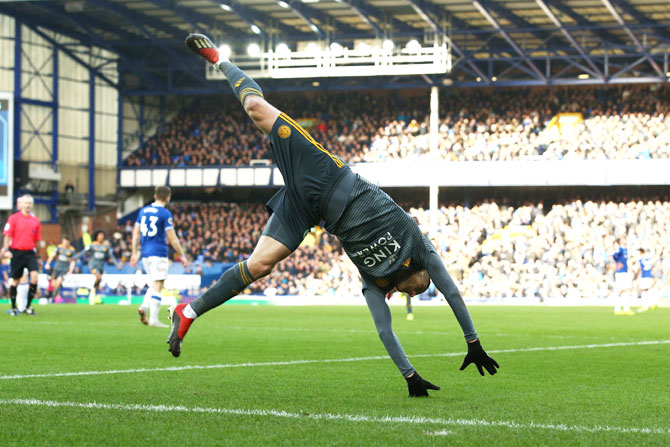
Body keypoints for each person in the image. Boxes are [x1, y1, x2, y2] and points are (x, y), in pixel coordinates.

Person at [168, 33, 499, 397]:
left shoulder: (377, 283)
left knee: (260, 265)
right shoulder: (419, 246)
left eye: (416, 293)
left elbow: (384, 330)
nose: (418, 293)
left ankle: (188, 312)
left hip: (308, 208)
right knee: (256, 110)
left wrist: (410, 377)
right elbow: (450, 290)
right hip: (326, 174)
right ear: (417, 272)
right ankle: (220, 58)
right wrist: (473, 341)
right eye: (421, 289)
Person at [130, 185, 189, 327]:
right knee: (158, 285)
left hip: (145, 254)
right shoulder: (165, 213)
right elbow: (173, 238)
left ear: (155, 196)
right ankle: (154, 319)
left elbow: (136, 233)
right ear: (168, 197)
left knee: (154, 284)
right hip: (158, 252)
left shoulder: (143, 211)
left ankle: (144, 307)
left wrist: (134, 253)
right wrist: (181, 255)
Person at [1, 194, 41, 316]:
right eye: (26, 202)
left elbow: (37, 240)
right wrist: (6, 249)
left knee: (34, 278)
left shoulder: (35, 221)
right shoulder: (13, 218)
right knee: (15, 281)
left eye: (30, 203)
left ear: (32, 205)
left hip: (30, 253)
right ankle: (14, 307)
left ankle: (28, 306)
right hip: (17, 252)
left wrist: (38, 256)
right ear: (21, 204)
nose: (28, 205)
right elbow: (7, 235)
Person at [74, 230, 118, 305]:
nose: (102, 237)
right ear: (96, 237)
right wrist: (74, 257)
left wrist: (117, 264)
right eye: (100, 235)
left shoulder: (106, 247)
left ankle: (94, 294)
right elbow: (83, 252)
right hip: (93, 266)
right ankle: (93, 292)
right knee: (98, 277)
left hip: (101, 267)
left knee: (98, 280)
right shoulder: (92, 245)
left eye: (102, 235)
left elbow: (111, 256)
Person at [44, 235, 76, 303]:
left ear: (69, 242)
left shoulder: (72, 250)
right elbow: (52, 255)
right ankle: (56, 296)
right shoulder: (59, 247)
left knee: (58, 283)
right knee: (53, 284)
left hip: (64, 269)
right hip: (57, 268)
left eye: (67, 241)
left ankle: (52, 298)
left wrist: (70, 270)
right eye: (64, 241)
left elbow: (73, 261)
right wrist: (47, 263)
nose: (65, 242)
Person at [612, 237, 634, 316]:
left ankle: (626, 308)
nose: (625, 240)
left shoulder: (626, 250)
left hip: (625, 272)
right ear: (620, 242)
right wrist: (617, 263)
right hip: (620, 272)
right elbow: (614, 256)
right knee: (620, 290)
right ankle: (617, 309)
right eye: (623, 239)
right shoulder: (619, 249)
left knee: (627, 290)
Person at [634, 248, 658, 313]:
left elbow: (639, 269)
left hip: (644, 276)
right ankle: (652, 304)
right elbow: (652, 266)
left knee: (643, 291)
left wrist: (635, 276)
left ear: (641, 252)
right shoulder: (648, 258)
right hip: (649, 276)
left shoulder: (641, 259)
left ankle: (645, 306)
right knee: (647, 290)